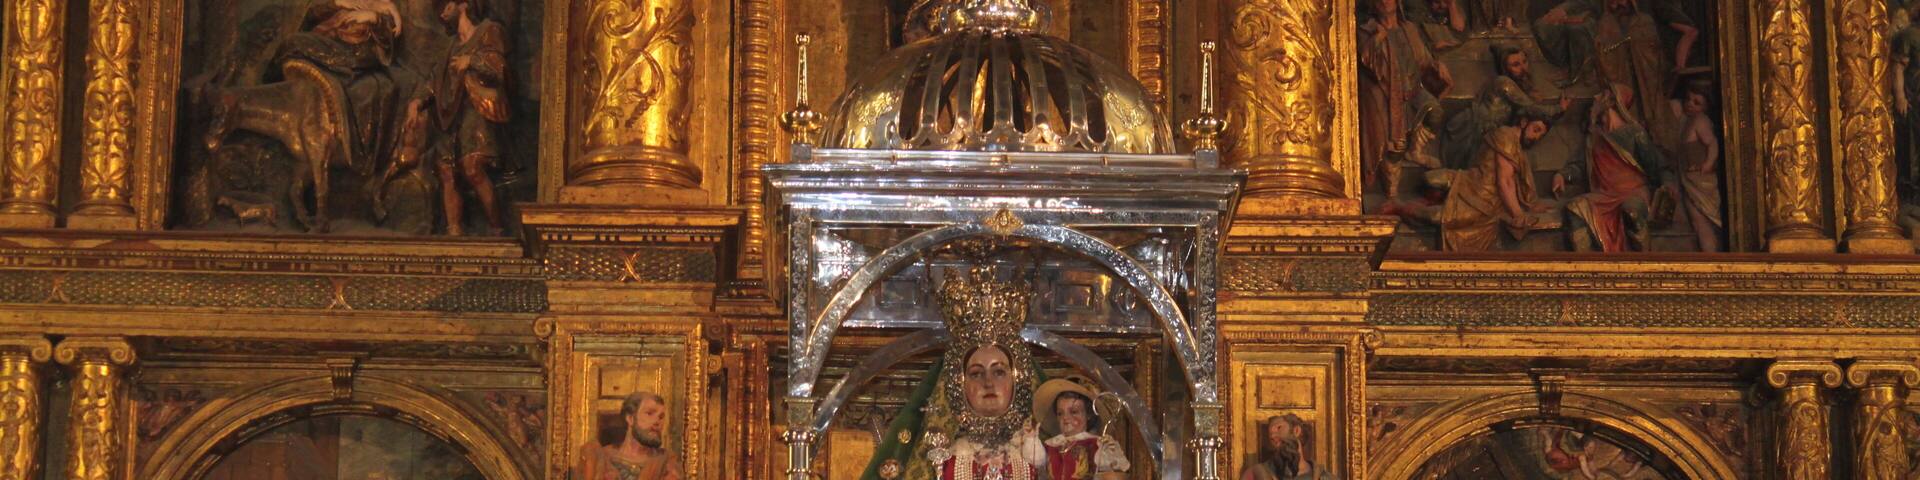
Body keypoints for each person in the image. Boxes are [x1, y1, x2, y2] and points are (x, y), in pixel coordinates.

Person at [1556, 85, 1671, 252]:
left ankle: (1643, 262)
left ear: (1611, 101)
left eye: (1602, 94)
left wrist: (1668, 184)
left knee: (1631, 210)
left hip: (1634, 192)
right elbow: (1581, 166)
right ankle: (1587, 268)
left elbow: (1658, 166)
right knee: (1574, 208)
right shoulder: (1594, 137)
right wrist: (1562, 175)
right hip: (1604, 195)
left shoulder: (1634, 133)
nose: (1595, 97)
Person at [430, 0, 510, 236]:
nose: (443, 13)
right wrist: (417, 102)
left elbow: (501, 68)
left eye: (447, 6)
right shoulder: (450, 46)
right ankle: (454, 231)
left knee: (472, 167)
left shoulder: (489, 30)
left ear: (463, 5)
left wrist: (472, 61)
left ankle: (497, 229)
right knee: (446, 170)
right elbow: (435, 80)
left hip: (477, 108)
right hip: (449, 112)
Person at [1360, 0, 1453, 199]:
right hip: (1388, 93)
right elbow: (1366, 61)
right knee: (1395, 145)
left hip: (1413, 89)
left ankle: (1415, 151)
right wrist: (1377, 39)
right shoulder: (1367, 31)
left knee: (1434, 112)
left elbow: (1422, 58)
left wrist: (1436, 65)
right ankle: (1392, 192)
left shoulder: (1408, 28)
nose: (1385, 2)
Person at [1438, 119, 1555, 251]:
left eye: (1541, 135)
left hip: (1484, 196)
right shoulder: (1505, 136)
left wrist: (1526, 208)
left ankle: (1412, 209)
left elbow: (1509, 181)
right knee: (1431, 179)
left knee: (1441, 216)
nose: (1536, 137)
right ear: (1523, 122)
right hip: (1472, 181)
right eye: (1536, 130)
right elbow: (1505, 181)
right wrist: (1518, 214)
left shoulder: (1517, 147)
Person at [574, 392, 684, 480]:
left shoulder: (666, 463)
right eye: (650, 413)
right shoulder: (598, 457)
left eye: (661, 417)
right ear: (630, 418)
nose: (657, 421)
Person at [1033, 379, 1128, 480]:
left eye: (1074, 412)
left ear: (1089, 414)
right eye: (1060, 413)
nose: (1065, 418)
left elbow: (1115, 477)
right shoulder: (1049, 445)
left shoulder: (1098, 445)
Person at [1673, 81, 1722, 252]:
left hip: (1701, 181)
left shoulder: (1701, 121)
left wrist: (1708, 164)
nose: (1690, 104)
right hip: (1689, 180)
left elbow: (1713, 143)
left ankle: (1711, 255)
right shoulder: (1686, 121)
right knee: (1696, 221)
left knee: (1703, 221)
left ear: (1706, 106)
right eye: (1688, 99)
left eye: (1697, 102)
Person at [1240, 415, 1332, 480]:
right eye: (1270, 434)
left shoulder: (1324, 477)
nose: (1272, 436)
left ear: (1296, 430)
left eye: (1279, 428)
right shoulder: (1255, 474)